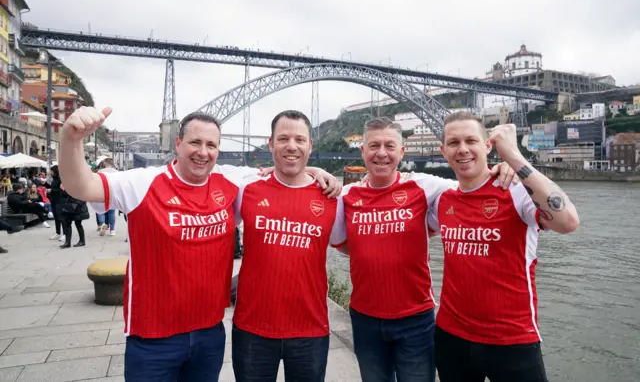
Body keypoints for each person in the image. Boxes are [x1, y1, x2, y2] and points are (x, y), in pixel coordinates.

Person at [58, 106, 339, 382]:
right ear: (178, 144)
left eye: (211, 145)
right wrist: (71, 140)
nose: (203, 152)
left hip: (208, 334)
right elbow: (80, 186)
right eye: (195, 142)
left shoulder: (231, 180)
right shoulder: (143, 183)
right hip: (154, 337)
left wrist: (313, 170)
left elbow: (284, 170)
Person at [330, 117, 516, 382]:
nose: (381, 153)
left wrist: (505, 167)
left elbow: (472, 184)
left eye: (389, 146)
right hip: (365, 319)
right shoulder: (346, 197)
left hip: (415, 320)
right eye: (374, 146)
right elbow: (343, 243)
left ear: (402, 152)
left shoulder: (425, 186)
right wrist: (317, 172)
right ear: (362, 151)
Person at [428, 112, 579, 382]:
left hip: (511, 339)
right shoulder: (443, 200)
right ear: (443, 151)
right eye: (453, 143)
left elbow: (567, 222)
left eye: (471, 140)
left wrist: (513, 157)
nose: (462, 149)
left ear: (488, 145)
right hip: (452, 337)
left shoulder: (517, 192)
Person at [232, 110, 341, 382]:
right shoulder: (246, 189)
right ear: (270, 144)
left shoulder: (332, 198)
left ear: (310, 146)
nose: (291, 146)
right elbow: (205, 175)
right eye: (283, 139)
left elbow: (354, 246)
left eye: (299, 139)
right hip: (253, 330)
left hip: (310, 331)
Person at [94, 156, 118, 236]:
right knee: (111, 213)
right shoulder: (116, 172)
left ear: (105, 163)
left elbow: (96, 183)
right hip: (112, 194)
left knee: (101, 211)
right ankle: (112, 230)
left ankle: (103, 224)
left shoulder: (100, 172)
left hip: (102, 193)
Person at [47, 166, 64, 241]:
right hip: (53, 200)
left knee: (61, 217)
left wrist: (51, 190)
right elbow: (53, 188)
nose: (50, 173)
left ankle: (65, 234)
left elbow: (61, 190)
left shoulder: (61, 179)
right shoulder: (54, 180)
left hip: (59, 201)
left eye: (51, 171)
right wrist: (45, 185)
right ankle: (58, 232)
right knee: (56, 217)